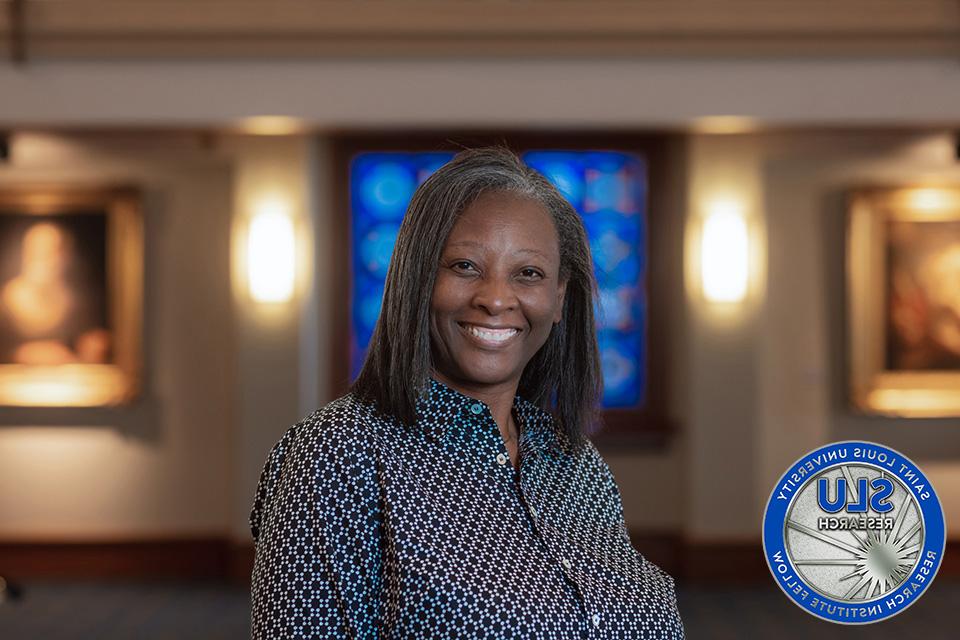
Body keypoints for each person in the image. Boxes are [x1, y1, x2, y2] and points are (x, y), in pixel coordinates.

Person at [249, 147, 684, 638]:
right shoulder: (337, 454)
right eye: (464, 266)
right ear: (418, 280)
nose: (496, 298)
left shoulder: (576, 464)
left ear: (558, 299)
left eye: (529, 273)